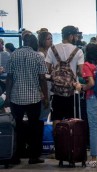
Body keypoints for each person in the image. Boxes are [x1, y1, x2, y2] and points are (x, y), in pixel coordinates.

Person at [5, 34, 49, 164]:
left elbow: (9, 78)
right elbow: (42, 78)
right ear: (34, 43)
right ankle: (33, 156)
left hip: (16, 97)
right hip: (33, 97)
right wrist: (45, 97)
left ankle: (17, 155)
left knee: (18, 126)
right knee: (34, 127)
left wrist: (8, 96)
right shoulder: (37, 56)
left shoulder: (13, 55)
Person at [74, 43, 97, 168]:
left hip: (93, 98)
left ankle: (94, 158)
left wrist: (82, 87)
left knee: (93, 128)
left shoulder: (87, 65)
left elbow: (91, 83)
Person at [45, 25, 84, 129]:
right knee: (71, 120)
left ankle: (57, 143)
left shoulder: (52, 49)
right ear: (71, 36)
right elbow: (81, 72)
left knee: (56, 118)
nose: (76, 38)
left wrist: (57, 74)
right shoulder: (78, 51)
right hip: (72, 91)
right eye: (75, 36)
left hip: (56, 91)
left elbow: (47, 69)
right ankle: (69, 142)